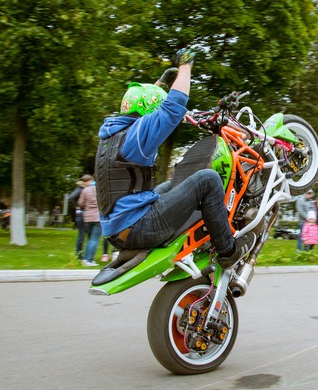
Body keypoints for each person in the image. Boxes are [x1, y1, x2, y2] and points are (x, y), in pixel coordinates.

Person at [95, 49, 249, 271]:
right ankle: (228, 251)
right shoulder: (137, 135)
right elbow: (175, 103)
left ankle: (203, 233)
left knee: (173, 185)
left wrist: (160, 84)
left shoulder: (115, 133)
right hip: (140, 227)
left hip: (119, 231)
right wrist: (185, 66)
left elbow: (144, 102)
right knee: (209, 180)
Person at [78, 174, 102, 266]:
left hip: (87, 217)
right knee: (94, 239)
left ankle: (85, 258)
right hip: (98, 217)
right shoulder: (100, 190)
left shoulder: (85, 190)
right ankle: (89, 260)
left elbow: (80, 203)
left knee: (89, 238)